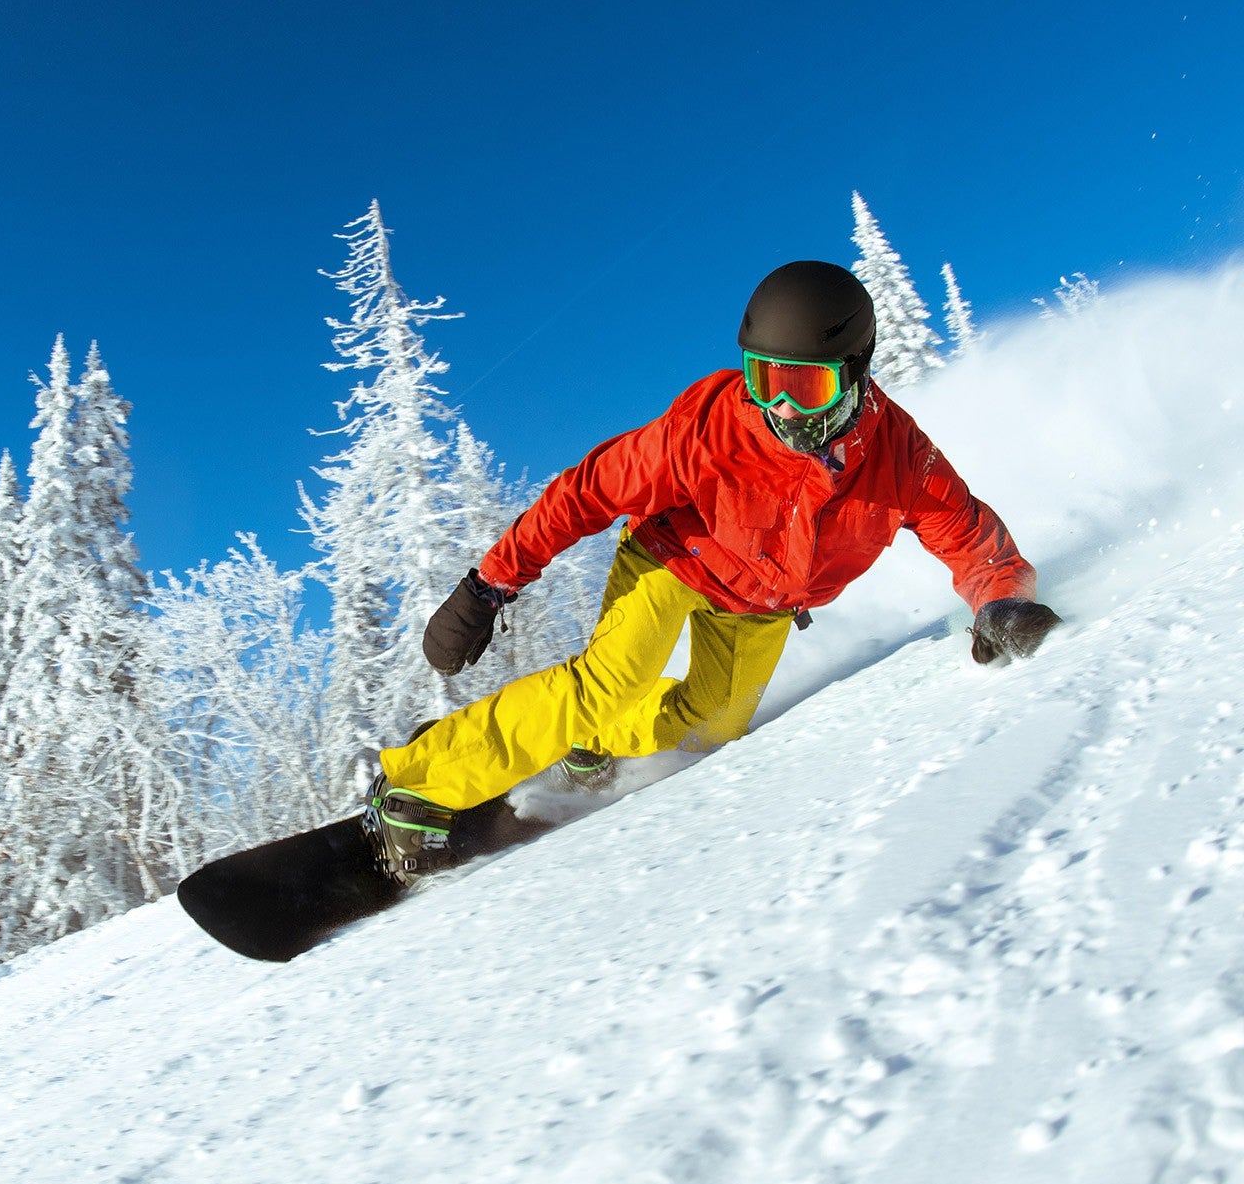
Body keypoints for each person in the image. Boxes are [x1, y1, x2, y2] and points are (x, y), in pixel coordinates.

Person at [363, 260, 1063, 884]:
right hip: (673, 560)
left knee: (712, 727)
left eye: (806, 386)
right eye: (766, 380)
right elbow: (586, 492)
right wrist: (488, 586)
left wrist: (1000, 600)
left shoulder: (900, 457)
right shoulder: (708, 429)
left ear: (855, 373)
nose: (782, 408)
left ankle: (592, 743)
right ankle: (418, 782)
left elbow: (967, 533)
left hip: (762, 605)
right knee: (610, 682)